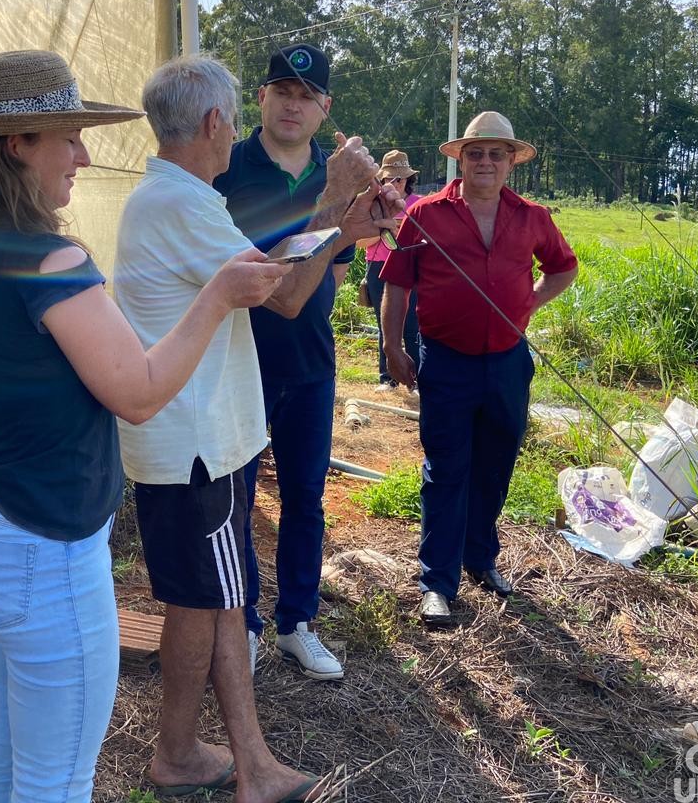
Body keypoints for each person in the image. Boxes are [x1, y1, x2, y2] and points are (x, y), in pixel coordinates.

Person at [0, 50, 292, 803]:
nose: (84, 156)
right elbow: (139, 392)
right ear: (16, 146)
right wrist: (219, 295)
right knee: (57, 780)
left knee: (2, 753)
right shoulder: (49, 258)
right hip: (50, 548)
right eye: (68, 136)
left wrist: (0, 415)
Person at [114, 54, 395, 802]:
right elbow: (288, 294)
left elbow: (284, 272)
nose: (234, 129)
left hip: (193, 442)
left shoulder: (175, 197)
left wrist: (340, 225)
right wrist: (335, 200)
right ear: (213, 123)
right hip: (199, 447)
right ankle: (255, 767)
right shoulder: (186, 204)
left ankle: (177, 752)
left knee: (201, 600)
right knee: (224, 601)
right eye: (235, 116)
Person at [379, 111, 578, 627]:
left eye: (496, 153)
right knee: (447, 468)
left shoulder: (532, 216)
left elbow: (563, 267)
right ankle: (436, 583)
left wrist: (530, 304)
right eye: (475, 153)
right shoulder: (426, 214)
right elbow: (396, 284)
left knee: (495, 464)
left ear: (511, 160)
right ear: (460, 159)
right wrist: (393, 347)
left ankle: (480, 559)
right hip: (445, 361)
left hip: (509, 361)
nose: (485, 162)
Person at [212, 43, 367, 681]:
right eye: (283, 91)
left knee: (305, 494)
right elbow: (258, 275)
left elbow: (333, 262)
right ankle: (244, 620)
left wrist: (360, 218)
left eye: (307, 96)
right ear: (263, 98)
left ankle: (297, 621)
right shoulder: (228, 166)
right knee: (240, 498)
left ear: (325, 108)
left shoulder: (338, 172)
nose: (293, 105)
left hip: (311, 361)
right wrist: (332, 204)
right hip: (238, 357)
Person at [361, 150, 422, 393]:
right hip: (378, 267)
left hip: (410, 268)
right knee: (384, 324)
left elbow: (425, 240)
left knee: (412, 326)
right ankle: (387, 378)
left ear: (408, 179)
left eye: (399, 179)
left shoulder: (417, 205)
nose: (393, 184)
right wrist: (380, 229)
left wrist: (403, 230)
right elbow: (359, 242)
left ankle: (415, 380)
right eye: (388, 179)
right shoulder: (373, 205)